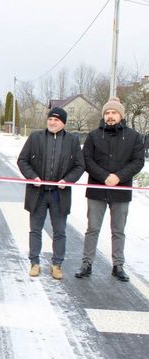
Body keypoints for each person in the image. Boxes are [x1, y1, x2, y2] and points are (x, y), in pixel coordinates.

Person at [76, 97, 145, 282]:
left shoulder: (134, 137)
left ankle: (118, 265)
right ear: (103, 115)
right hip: (97, 189)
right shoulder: (93, 136)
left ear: (121, 115)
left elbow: (138, 161)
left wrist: (119, 177)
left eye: (114, 112)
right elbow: (87, 160)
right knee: (92, 228)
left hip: (121, 191)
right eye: (107, 113)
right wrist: (104, 176)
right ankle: (86, 263)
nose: (110, 116)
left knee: (118, 230)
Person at [17, 107, 85, 280]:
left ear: (63, 123)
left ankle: (57, 265)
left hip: (58, 195)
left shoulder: (72, 140)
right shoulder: (35, 137)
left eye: (56, 120)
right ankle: (34, 262)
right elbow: (22, 160)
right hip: (38, 193)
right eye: (50, 119)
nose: (52, 122)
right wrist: (33, 177)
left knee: (60, 231)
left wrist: (67, 180)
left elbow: (79, 166)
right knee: (35, 230)